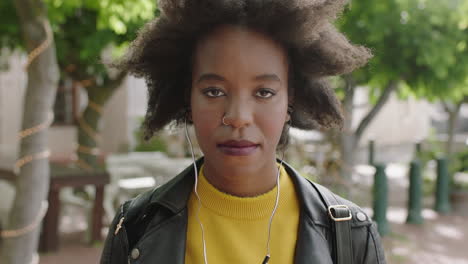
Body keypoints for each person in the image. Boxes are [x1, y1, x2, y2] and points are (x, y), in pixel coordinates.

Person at [100, 0, 386, 263]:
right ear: (187, 98)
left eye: (263, 92)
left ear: (291, 99)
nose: (237, 117)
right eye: (214, 91)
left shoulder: (350, 235)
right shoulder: (135, 227)